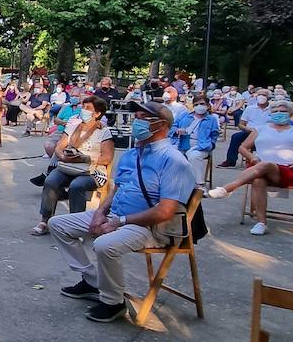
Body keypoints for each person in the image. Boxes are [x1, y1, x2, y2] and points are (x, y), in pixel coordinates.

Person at [46, 101, 198, 323]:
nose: (136, 122)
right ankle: (91, 280)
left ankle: (113, 302)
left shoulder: (174, 160)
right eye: (136, 116)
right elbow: (117, 188)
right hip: (116, 216)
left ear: (161, 125)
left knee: (104, 245)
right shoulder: (131, 154)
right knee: (58, 224)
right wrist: (100, 212)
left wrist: (120, 222)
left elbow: (165, 211)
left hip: (148, 227)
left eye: (143, 118)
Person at [206, 101, 293, 235]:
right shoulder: (261, 128)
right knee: (258, 180)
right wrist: (252, 157)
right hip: (257, 170)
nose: (279, 113)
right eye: (275, 111)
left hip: (288, 170)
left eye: (283, 111)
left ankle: (229, 188)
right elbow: (243, 147)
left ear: (290, 113)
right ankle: (261, 222)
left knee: (266, 164)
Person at [31, 96, 114, 236]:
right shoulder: (73, 126)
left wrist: (86, 158)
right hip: (68, 166)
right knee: (50, 181)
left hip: (91, 171)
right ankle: (45, 220)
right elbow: (60, 146)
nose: (84, 111)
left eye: (88, 109)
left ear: (98, 113)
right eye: (83, 107)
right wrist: (63, 156)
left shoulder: (103, 132)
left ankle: (75, 225)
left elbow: (107, 158)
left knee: (76, 186)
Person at [218, 91, 270, 167]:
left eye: (264, 95)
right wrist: (248, 129)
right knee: (236, 137)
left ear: (268, 97)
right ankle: (230, 160)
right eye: (259, 95)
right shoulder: (250, 109)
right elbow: (241, 124)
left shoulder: (272, 109)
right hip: (250, 132)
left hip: (266, 133)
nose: (261, 97)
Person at [175, 96, 220, 172]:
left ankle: (197, 182)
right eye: (196, 105)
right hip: (182, 142)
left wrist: (210, 145)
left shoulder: (212, 119)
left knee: (194, 156)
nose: (199, 106)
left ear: (208, 106)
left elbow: (214, 135)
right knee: (170, 154)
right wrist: (177, 130)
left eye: (202, 104)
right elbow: (172, 127)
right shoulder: (184, 115)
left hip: (201, 145)